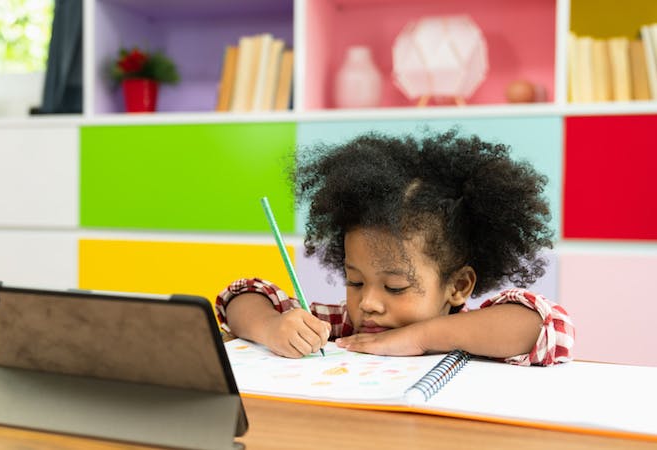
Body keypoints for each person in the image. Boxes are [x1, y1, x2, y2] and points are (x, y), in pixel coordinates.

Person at [216, 129, 574, 366]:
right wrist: (271, 328)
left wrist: (421, 338)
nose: (367, 303)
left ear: (458, 286)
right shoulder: (343, 328)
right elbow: (243, 295)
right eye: (355, 282)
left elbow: (552, 327)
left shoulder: (478, 333)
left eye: (395, 287)